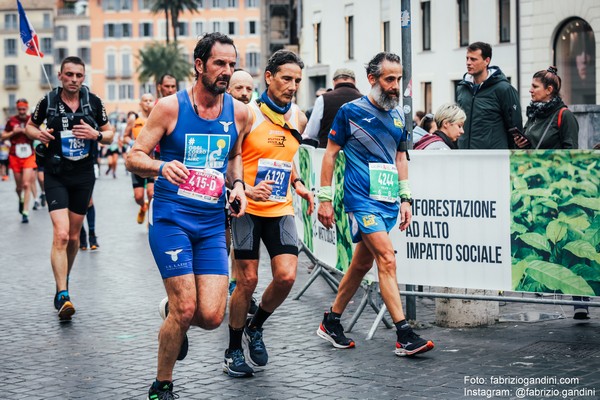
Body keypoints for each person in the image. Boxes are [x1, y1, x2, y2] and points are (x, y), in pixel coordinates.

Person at [125, 32, 251, 399]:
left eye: (231, 64)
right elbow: (135, 156)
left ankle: (171, 311)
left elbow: (233, 157)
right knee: (186, 308)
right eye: (219, 64)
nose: (227, 71)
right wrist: (162, 167)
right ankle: (161, 384)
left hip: (212, 223)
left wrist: (239, 186)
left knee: (211, 317)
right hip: (172, 220)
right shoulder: (169, 107)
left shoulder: (239, 112)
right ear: (199, 65)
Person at [315, 52, 435, 357]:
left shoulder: (399, 116)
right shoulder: (349, 112)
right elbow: (329, 154)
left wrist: (406, 197)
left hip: (387, 200)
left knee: (361, 264)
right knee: (387, 258)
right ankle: (404, 335)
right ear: (372, 79)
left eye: (398, 79)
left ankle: (332, 321)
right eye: (389, 79)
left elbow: (400, 157)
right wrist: (325, 199)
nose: (396, 86)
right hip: (360, 199)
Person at [225, 49, 314, 377]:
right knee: (246, 280)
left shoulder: (299, 118)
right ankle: (233, 348)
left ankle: (255, 326)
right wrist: (244, 189)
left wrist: (299, 182)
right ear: (269, 77)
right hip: (247, 208)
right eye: (287, 79)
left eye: (297, 81)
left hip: (281, 207)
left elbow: (287, 155)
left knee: (287, 276)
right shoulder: (247, 114)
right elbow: (231, 156)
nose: (292, 86)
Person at [25, 56, 114, 320]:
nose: (74, 79)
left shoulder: (94, 103)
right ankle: (63, 294)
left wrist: (95, 134)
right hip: (56, 174)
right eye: (69, 75)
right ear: (60, 76)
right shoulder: (49, 101)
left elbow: (110, 135)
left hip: (84, 175)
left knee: (74, 238)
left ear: (83, 77)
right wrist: (38, 134)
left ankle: (63, 277)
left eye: (79, 75)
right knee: (61, 234)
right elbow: (29, 126)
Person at [513, 66, 585, 320]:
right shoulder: (532, 116)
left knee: (567, 240)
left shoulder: (564, 116)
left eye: (535, 87)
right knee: (540, 236)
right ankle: (546, 285)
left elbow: (572, 152)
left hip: (560, 188)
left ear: (549, 90)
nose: (530, 91)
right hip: (536, 185)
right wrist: (523, 145)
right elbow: (532, 146)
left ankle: (581, 302)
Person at [226, 69, 259, 316]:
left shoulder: (255, 116)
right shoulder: (219, 114)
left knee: (240, 244)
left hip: (244, 191)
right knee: (224, 243)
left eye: (249, 89)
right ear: (228, 89)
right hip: (219, 189)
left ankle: (239, 289)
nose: (245, 94)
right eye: (239, 88)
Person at [456, 42, 522, 149]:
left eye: (473, 59)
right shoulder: (462, 88)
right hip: (465, 154)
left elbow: (515, 129)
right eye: (467, 58)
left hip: (493, 157)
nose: (468, 62)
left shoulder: (504, 89)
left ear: (487, 61)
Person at [303, 68, 362, 148]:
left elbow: (311, 132)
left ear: (334, 82)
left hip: (327, 152)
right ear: (354, 82)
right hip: (356, 155)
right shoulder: (363, 100)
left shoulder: (323, 99)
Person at [2, 98, 37, 223]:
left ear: (27, 108)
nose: (22, 111)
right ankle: (21, 199)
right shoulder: (11, 120)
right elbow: (3, 136)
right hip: (14, 155)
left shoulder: (31, 120)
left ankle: (25, 212)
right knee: (19, 187)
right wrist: (13, 132)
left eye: (24, 109)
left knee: (27, 184)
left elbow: (37, 134)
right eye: (20, 109)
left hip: (29, 155)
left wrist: (28, 132)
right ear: (17, 109)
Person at [124, 93, 156, 224]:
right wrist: (132, 143)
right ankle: (143, 206)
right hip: (138, 160)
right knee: (138, 196)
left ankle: (150, 222)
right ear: (140, 103)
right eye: (145, 100)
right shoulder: (134, 119)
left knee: (151, 193)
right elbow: (125, 136)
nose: (148, 103)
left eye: (150, 100)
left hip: (151, 161)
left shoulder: (156, 118)